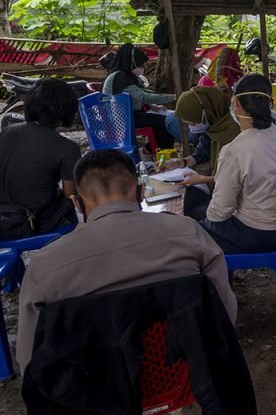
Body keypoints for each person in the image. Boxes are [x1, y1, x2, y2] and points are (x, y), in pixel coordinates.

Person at [16, 148, 236, 373]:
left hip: (95, 391)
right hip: (182, 374)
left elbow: (29, 361)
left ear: (77, 203)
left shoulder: (45, 265)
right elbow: (224, 310)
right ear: (141, 192)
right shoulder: (189, 233)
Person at [186, 74, 276, 254]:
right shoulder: (274, 132)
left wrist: (207, 218)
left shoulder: (235, 149)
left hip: (259, 233)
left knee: (187, 234)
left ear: (235, 103)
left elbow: (218, 214)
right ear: (270, 102)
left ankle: (214, 279)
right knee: (198, 211)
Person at [0, 79, 79, 239]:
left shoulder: (7, 131)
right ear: (66, 110)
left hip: (3, 219)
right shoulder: (68, 147)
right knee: (71, 206)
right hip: (30, 224)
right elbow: (71, 195)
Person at [159, 87, 240, 189]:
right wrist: (178, 163)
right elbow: (203, 153)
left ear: (206, 113)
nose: (192, 127)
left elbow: (239, 177)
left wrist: (203, 179)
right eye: (188, 124)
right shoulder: (213, 124)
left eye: (193, 123)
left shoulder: (236, 130)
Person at [102, 43, 176, 149]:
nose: (143, 70)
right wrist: (173, 97)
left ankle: (150, 151)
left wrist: (151, 105)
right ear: (130, 64)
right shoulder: (121, 78)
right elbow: (144, 96)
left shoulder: (121, 74)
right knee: (166, 122)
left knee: (160, 121)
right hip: (122, 119)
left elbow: (140, 92)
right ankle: (159, 153)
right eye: (140, 66)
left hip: (124, 116)